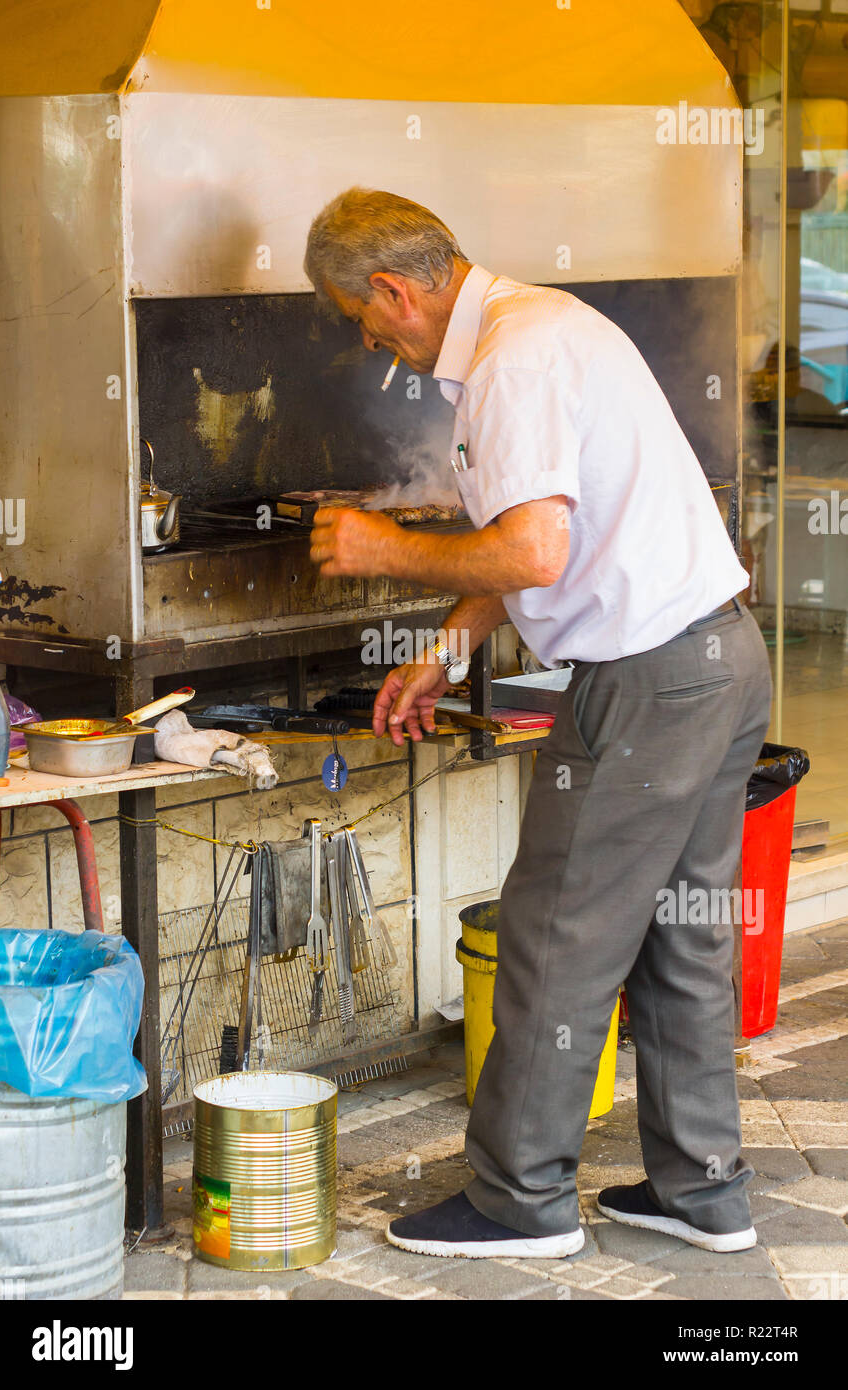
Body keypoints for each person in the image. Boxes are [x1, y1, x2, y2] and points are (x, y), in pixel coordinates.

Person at [303, 188, 772, 1260]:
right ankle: (703, 1190)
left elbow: (533, 554)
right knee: (680, 933)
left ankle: (519, 1200)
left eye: (361, 320)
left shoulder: (514, 360)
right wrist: (446, 649)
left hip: (649, 682)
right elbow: (532, 537)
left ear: (391, 289)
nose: (370, 342)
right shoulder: (539, 327)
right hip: (714, 656)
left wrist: (383, 549)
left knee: (556, 931)